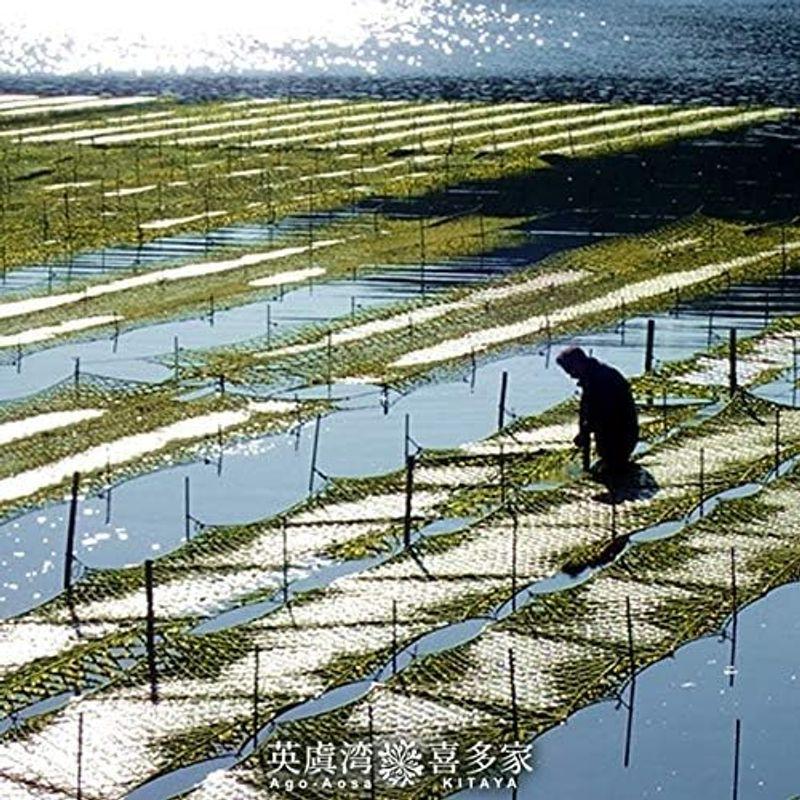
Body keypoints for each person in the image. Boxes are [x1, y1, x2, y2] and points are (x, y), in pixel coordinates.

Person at [556, 346, 639, 482]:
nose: (570, 375)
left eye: (570, 370)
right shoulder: (591, 378)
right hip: (611, 434)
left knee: (610, 473)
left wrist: (587, 430)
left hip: (621, 436)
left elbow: (606, 413)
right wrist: (583, 431)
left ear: (578, 363)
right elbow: (586, 411)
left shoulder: (603, 379)